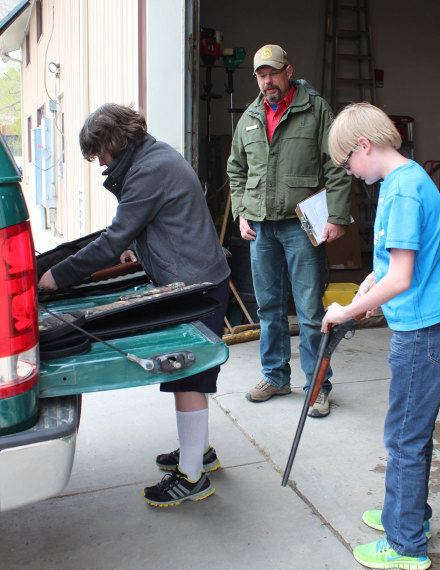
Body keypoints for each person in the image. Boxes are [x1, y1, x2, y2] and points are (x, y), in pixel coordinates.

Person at [38, 103, 230, 508]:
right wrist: (137, 246)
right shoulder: (154, 156)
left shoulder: (147, 171)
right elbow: (151, 223)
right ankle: (199, 452)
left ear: (114, 141)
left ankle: (192, 478)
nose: (100, 163)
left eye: (100, 153)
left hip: (196, 287)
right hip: (200, 278)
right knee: (191, 376)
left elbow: (112, 239)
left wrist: (57, 275)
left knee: (187, 376)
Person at [323, 102, 440, 570]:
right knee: (413, 428)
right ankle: (408, 513)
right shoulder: (401, 180)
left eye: (347, 162)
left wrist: (347, 310)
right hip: (428, 318)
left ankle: (406, 543)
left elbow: (402, 278)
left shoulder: (403, 191)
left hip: (425, 327)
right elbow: (391, 263)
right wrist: (368, 285)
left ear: (364, 145)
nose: (349, 172)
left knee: (404, 434)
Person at [227, 44, 352, 417]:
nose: (268, 81)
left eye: (273, 74)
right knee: (268, 307)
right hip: (261, 227)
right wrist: (241, 211)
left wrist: (336, 216)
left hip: (301, 225)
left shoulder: (316, 110)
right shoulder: (250, 117)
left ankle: (318, 386)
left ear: (288, 72)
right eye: (261, 75)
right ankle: (275, 377)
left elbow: (336, 164)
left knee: (310, 310)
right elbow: (236, 169)